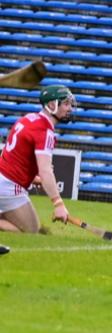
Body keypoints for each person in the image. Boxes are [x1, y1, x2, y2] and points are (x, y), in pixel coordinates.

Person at [0, 84, 75, 233]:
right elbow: (45, 170)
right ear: (52, 105)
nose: (70, 108)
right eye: (66, 103)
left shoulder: (29, 118)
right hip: (9, 185)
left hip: (4, 179)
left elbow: (15, 154)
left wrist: (34, 178)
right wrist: (58, 204)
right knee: (31, 231)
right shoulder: (44, 130)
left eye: (70, 104)